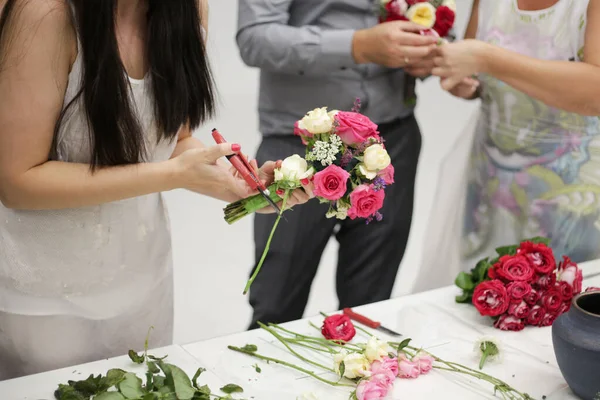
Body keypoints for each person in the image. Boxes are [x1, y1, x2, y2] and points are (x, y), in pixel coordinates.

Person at [0, 0, 310, 380]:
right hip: (46, 298)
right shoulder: (45, 13)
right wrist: (171, 174)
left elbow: (170, 140)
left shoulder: (188, 10)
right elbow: (17, 181)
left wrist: (239, 186)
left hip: (143, 281)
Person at [236, 0, 441, 329]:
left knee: (370, 308)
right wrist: (357, 45)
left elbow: (442, 24)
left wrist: (428, 50)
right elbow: (255, 38)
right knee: (275, 303)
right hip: (298, 142)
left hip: (391, 139)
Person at [431, 0, 600, 263]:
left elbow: (596, 94)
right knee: (486, 289)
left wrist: (486, 58)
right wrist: (466, 82)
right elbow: (477, 74)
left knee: (567, 291)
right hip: (491, 182)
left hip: (575, 194)